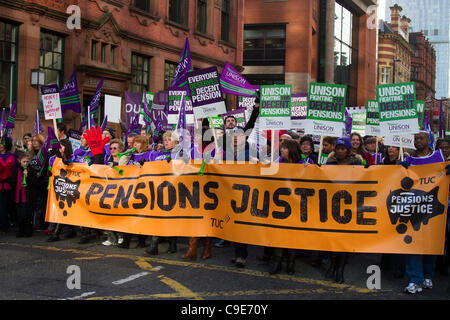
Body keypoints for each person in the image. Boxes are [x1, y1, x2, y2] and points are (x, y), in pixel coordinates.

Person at [401, 132, 447, 294]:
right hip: (413, 209)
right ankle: (415, 279)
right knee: (413, 245)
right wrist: (398, 171)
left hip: (433, 209)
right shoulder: (408, 160)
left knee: (430, 244)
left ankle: (428, 275)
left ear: (429, 141)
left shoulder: (440, 157)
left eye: (420, 138)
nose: (417, 141)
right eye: (415, 139)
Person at [325, 136, 363, 283]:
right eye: (338, 148)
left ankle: (340, 269)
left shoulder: (357, 163)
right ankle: (332, 265)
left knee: (344, 239)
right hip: (332, 205)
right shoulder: (330, 162)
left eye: (343, 149)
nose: (340, 151)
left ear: (347, 150)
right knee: (332, 239)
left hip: (349, 207)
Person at [269, 139, 302, 275]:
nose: (282, 150)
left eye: (284, 148)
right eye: (281, 148)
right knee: (279, 235)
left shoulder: (304, 164)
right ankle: (278, 262)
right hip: (280, 205)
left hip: (296, 206)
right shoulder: (278, 163)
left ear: (292, 150)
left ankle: (290, 263)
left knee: (293, 236)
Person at [379, 145, 406, 278]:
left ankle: (398, 266)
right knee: (386, 231)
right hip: (386, 199)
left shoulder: (405, 160)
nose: (391, 149)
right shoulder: (383, 161)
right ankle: (386, 262)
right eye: (389, 146)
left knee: (397, 233)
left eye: (394, 147)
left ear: (399, 149)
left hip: (400, 200)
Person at [46, 140, 76, 242]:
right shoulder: (54, 159)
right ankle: (57, 233)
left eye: (62, 147)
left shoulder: (74, 158)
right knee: (61, 209)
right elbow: (50, 171)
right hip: (59, 187)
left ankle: (69, 231)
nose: (60, 149)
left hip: (72, 187)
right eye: (59, 147)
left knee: (71, 209)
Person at [12, 152, 33, 237]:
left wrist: (27, 177)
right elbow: (13, 181)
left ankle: (28, 231)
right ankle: (20, 230)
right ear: (19, 161)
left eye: (27, 162)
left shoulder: (30, 170)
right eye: (24, 162)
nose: (26, 164)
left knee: (26, 214)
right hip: (18, 195)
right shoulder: (16, 169)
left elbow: (34, 182)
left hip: (27, 196)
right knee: (19, 214)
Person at [0, 137, 16, 233]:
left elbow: (5, 169)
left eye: (1, 143)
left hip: (5, 186)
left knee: (3, 207)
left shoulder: (10, 157)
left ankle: (4, 226)